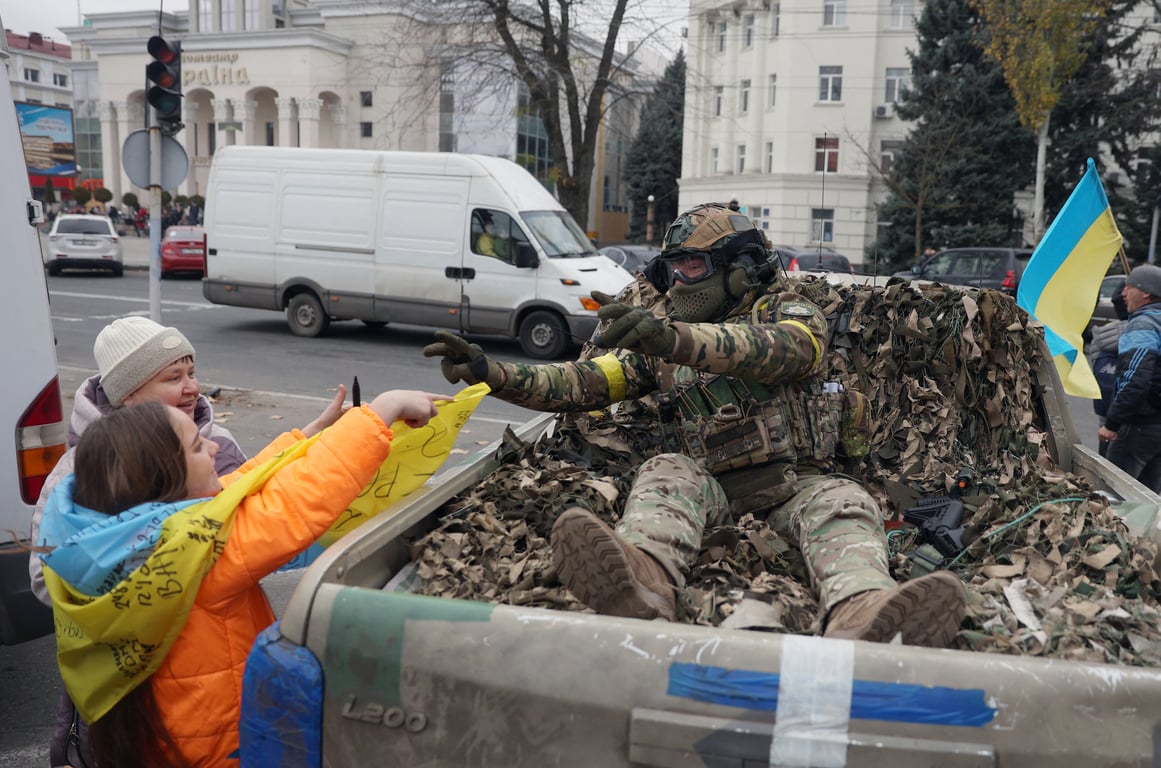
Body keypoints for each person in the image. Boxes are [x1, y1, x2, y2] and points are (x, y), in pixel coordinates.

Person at [424, 202, 967, 647]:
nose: (679, 282)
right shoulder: (658, 342)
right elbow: (579, 384)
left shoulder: (791, 312)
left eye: (694, 267)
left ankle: (861, 610)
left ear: (740, 269)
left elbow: (785, 351)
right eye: (671, 270)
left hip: (795, 487)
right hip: (712, 492)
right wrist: (490, 371)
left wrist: (672, 341)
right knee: (665, 470)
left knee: (844, 505)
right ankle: (642, 581)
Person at [37, 384, 445, 767]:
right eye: (198, 447)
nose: (214, 447)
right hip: (219, 751)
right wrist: (382, 411)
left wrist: (308, 438)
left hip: (159, 744)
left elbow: (232, 492)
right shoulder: (198, 558)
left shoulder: (111, 543)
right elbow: (294, 503)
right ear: (163, 479)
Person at [28, 316, 346, 767]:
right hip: (130, 678)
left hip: (222, 670)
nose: (192, 386)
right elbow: (46, 578)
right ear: (129, 395)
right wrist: (153, 574)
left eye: (192, 372)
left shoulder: (218, 442)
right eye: (172, 377)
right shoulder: (79, 470)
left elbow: (253, 510)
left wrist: (313, 439)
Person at [1099, 264, 1161, 490]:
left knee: (1113, 495)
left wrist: (1112, 423)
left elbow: (1135, 378)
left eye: (1129, 287)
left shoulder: (1143, 325)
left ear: (1145, 293)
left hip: (1138, 426)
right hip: (1157, 427)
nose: (1123, 293)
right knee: (1148, 499)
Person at [1086, 278, 1128, 457]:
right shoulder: (1148, 336)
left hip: (1106, 421)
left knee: (1107, 468)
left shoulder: (1100, 338)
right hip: (1139, 426)